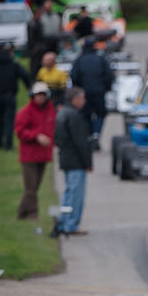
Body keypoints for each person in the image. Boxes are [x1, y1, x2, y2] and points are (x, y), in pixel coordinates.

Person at [52, 86, 91, 237]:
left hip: (66, 158)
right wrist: (87, 162)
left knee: (68, 193)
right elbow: (80, 142)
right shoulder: (74, 116)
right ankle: (70, 225)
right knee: (76, 195)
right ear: (75, 99)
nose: (84, 101)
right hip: (76, 161)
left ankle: (63, 221)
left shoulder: (62, 113)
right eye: (82, 98)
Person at [14, 82, 55, 220]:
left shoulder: (50, 110)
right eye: (38, 95)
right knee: (30, 188)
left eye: (43, 95)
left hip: (43, 155)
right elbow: (20, 131)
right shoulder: (25, 112)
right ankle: (32, 213)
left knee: (35, 187)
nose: (41, 98)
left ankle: (22, 213)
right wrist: (36, 136)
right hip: (29, 155)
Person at [0, 44, 31, 151]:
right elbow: (25, 77)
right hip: (10, 96)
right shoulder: (14, 66)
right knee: (9, 121)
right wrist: (29, 88)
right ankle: (8, 144)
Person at [69, 36, 113, 144]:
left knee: (85, 114)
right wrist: (105, 88)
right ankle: (96, 134)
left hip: (84, 94)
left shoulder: (79, 61)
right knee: (101, 114)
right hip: (99, 92)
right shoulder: (101, 59)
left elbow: (73, 76)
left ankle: (90, 135)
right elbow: (110, 75)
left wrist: (78, 89)